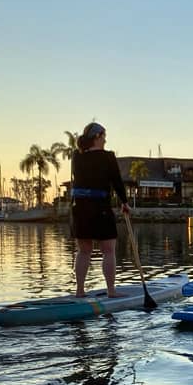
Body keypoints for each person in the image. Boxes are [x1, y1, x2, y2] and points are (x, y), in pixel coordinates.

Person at [70, 122, 130, 298]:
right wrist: (124, 202)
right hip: (100, 208)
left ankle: (80, 291)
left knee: (84, 251)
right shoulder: (108, 157)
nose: (105, 140)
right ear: (97, 137)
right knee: (109, 250)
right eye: (104, 136)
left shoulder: (76, 156)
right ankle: (111, 291)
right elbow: (117, 181)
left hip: (79, 208)